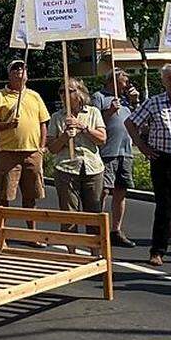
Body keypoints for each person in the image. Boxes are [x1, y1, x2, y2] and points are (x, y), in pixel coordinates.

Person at [126, 64, 171, 266]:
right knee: (163, 207)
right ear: (164, 81)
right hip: (162, 160)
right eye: (170, 78)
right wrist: (143, 148)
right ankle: (157, 251)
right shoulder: (154, 103)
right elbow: (130, 123)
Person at [0, 59, 50, 237]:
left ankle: (32, 234)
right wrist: (6, 124)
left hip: (31, 153)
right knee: (4, 196)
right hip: (8, 153)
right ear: (9, 74)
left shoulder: (34, 96)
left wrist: (41, 147)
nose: (19, 71)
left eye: (22, 68)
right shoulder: (0, 96)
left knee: (31, 196)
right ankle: (2, 235)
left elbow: (43, 122)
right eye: (15, 68)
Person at [48, 78, 106, 239]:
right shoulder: (57, 117)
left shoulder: (93, 112)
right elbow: (52, 148)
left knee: (94, 213)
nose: (63, 95)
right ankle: (71, 253)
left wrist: (84, 128)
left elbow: (102, 139)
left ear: (79, 93)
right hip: (66, 168)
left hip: (92, 168)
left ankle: (95, 253)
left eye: (68, 91)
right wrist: (65, 137)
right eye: (61, 91)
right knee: (69, 215)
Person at [92, 68, 139, 248]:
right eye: (124, 81)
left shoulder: (126, 99)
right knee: (103, 190)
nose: (127, 84)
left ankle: (116, 230)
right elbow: (93, 122)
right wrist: (110, 111)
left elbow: (137, 120)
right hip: (107, 151)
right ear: (113, 81)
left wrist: (135, 103)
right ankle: (97, 228)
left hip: (125, 151)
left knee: (121, 191)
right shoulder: (99, 97)